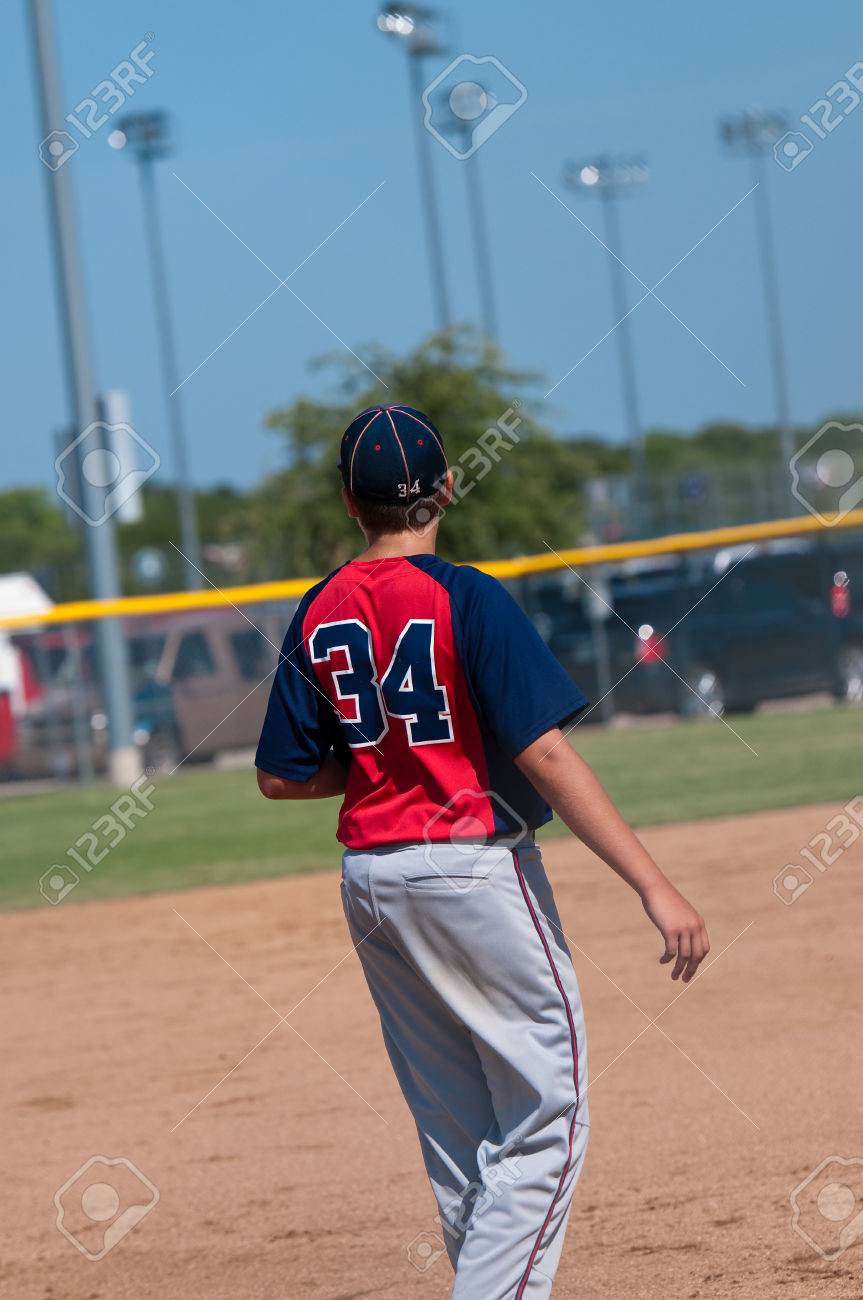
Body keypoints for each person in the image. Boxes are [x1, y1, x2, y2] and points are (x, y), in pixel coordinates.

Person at [255, 404, 709, 1298]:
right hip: (472, 868)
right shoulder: (466, 596)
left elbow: (281, 777)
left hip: (374, 882)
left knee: (460, 1134)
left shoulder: (317, 608)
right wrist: (654, 886)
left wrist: (385, 763)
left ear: (351, 502)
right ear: (449, 487)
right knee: (547, 1120)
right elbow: (542, 751)